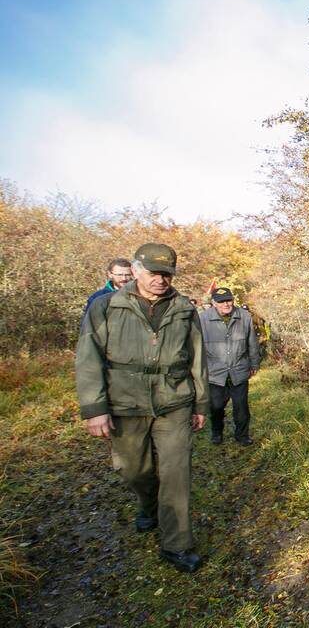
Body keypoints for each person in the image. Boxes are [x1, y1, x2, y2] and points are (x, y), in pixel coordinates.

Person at [75, 243, 209, 572]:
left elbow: (198, 357)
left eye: (167, 274)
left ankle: (176, 544)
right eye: (153, 273)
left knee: (176, 473)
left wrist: (201, 403)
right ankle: (149, 506)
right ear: (135, 271)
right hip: (125, 402)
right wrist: (94, 408)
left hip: (174, 401)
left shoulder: (183, 308)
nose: (160, 280)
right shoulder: (106, 306)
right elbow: (88, 358)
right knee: (133, 469)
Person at [199, 287, 260, 446]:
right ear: (213, 303)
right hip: (214, 372)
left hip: (239, 369)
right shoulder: (202, 319)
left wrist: (254, 363)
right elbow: (196, 347)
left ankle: (242, 435)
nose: (226, 304)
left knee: (241, 408)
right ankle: (217, 432)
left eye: (228, 300)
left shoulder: (244, 316)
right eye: (221, 301)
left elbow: (252, 343)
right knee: (216, 406)